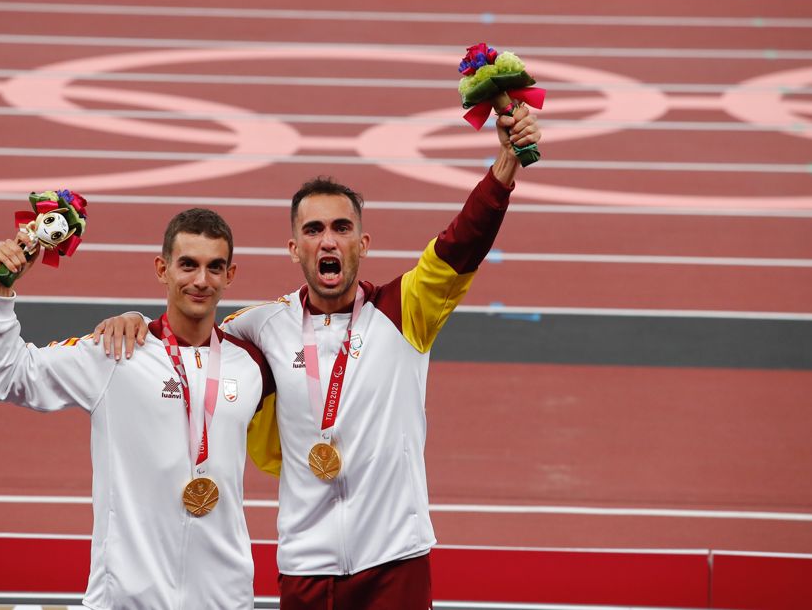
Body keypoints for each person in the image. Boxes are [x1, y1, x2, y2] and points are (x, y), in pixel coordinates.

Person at [94, 104, 541, 608]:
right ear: (293, 248)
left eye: (342, 228)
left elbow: (462, 243)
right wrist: (136, 323)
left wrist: (505, 166)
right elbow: (189, 340)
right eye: (313, 230)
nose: (328, 239)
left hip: (395, 558)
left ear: (362, 243)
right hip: (306, 567)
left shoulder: (405, 311)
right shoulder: (261, 327)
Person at [0, 208, 273, 610]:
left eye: (214, 268)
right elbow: (7, 375)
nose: (201, 281)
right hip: (127, 599)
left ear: (230, 276)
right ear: (161, 269)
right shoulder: (116, 352)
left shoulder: (251, 363)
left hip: (223, 598)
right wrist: (0, 292)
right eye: (188, 265)